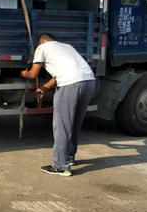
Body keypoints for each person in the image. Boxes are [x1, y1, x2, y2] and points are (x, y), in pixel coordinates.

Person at [20, 33, 96, 177]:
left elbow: (33, 74)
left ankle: (60, 166)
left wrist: (23, 73)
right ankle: (69, 157)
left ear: (41, 41)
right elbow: (60, 74)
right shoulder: (67, 47)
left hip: (70, 84)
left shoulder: (42, 48)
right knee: (74, 123)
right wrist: (44, 88)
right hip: (89, 81)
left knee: (62, 126)